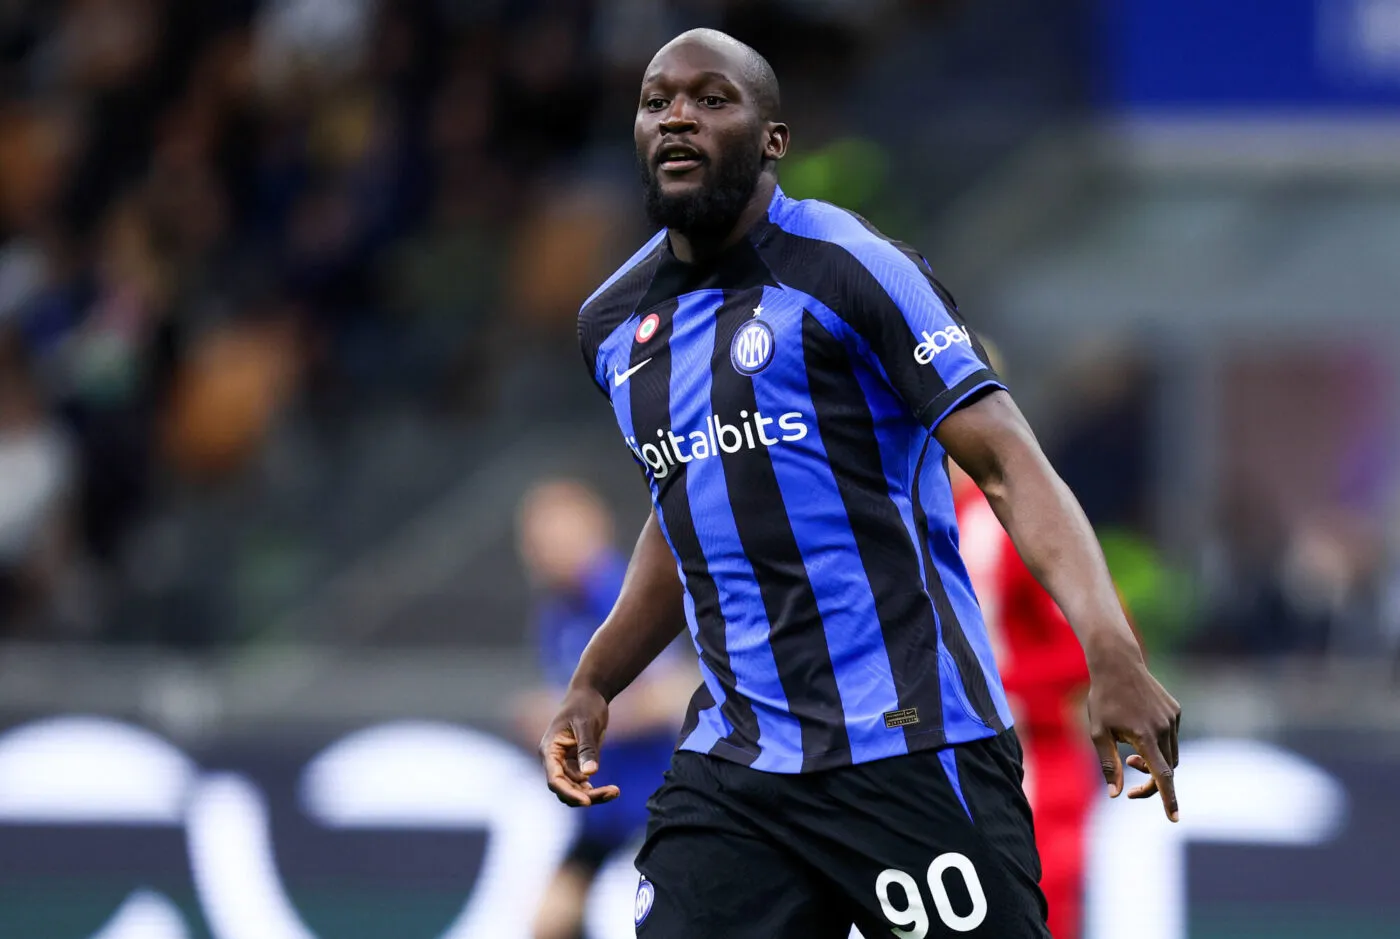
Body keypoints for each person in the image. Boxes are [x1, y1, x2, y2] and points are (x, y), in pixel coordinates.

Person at [542, 29, 1181, 939]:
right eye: (656, 101)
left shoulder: (853, 269)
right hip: (738, 767)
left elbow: (1007, 462)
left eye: (712, 98)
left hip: (909, 747)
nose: (677, 116)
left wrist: (1112, 651)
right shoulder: (612, 324)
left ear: (773, 140)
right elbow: (684, 499)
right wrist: (596, 679)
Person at [950, 344, 1096, 939]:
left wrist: (996, 695)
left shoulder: (1014, 522)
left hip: (1027, 769)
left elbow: (1094, 651)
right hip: (936, 768)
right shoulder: (908, 513)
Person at [515, 478, 693, 939]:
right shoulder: (556, 613)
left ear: (593, 527)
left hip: (658, 797)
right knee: (550, 922)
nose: (544, 549)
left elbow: (673, 691)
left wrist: (573, 720)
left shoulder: (624, 595)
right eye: (536, 540)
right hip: (605, 806)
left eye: (556, 533)